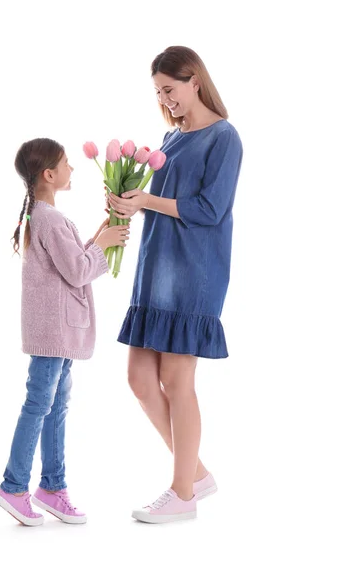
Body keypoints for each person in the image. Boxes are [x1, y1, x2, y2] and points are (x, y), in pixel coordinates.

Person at [109, 46, 243, 524]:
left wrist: (149, 198)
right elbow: (164, 200)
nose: (166, 100)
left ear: (195, 82)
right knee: (140, 379)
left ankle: (182, 493)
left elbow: (210, 209)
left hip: (193, 271)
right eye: (159, 92)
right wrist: (132, 203)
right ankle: (197, 474)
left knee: (177, 380)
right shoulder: (171, 136)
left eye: (170, 90)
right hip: (155, 266)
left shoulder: (224, 137)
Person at [0, 138, 130, 526]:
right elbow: (78, 271)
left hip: (56, 329)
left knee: (53, 405)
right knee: (40, 404)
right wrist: (100, 248)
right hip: (53, 329)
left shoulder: (44, 216)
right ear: (49, 175)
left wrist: (97, 238)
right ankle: (14, 486)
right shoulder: (50, 219)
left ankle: (52, 487)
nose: (73, 170)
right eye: (67, 165)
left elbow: (67, 264)